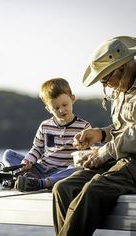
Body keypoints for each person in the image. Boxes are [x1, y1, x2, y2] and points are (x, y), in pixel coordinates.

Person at [52, 36, 136, 236]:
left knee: (93, 190)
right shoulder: (121, 89)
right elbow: (121, 129)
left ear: (122, 68)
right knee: (63, 188)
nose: (106, 87)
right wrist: (99, 134)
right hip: (121, 160)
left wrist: (104, 152)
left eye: (106, 79)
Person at [2, 78, 91, 192]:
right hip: (41, 169)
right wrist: (27, 161)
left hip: (64, 172)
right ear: (49, 109)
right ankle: (27, 179)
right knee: (8, 155)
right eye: (56, 108)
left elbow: (90, 152)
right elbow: (37, 149)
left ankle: (40, 183)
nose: (61, 110)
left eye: (65, 104)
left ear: (72, 99)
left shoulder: (84, 126)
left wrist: (83, 148)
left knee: (79, 170)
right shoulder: (45, 126)